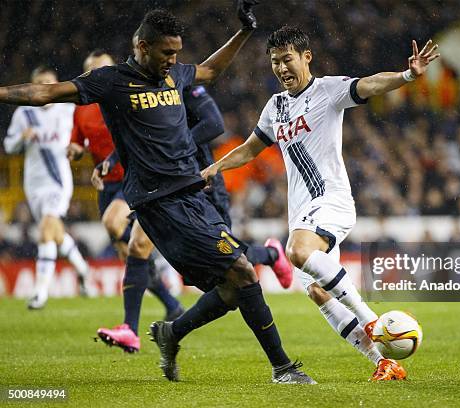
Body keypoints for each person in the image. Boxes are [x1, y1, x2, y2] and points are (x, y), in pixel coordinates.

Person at [0, 6, 314, 384]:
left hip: (195, 195)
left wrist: (245, 31)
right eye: (167, 53)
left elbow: (210, 70)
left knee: (232, 288)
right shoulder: (112, 81)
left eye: (177, 53)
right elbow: (46, 92)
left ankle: (172, 332)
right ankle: (282, 368)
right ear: (142, 46)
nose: (174, 61)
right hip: (159, 203)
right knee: (242, 272)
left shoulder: (175, 75)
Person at [202, 25, 439, 381]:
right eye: (274, 62)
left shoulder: (328, 91)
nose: (281, 68)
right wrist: (217, 166)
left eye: (287, 60)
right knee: (316, 290)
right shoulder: (276, 106)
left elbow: (369, 84)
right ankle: (382, 362)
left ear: (306, 57)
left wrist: (407, 75)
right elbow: (252, 147)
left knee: (296, 250)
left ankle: (370, 318)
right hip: (302, 211)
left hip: (331, 200)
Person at [67, 50, 184, 353]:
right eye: (94, 71)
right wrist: (76, 151)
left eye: (105, 68)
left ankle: (132, 324)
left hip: (135, 176)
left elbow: (135, 135)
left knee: (113, 223)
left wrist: (110, 159)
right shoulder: (81, 110)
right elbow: (79, 142)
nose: (101, 75)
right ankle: (171, 306)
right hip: (107, 185)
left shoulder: (122, 97)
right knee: (129, 253)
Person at [3, 66, 91, 310]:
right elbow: (9, 146)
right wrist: (22, 138)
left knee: (45, 229)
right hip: (33, 184)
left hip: (58, 181)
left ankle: (40, 293)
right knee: (54, 232)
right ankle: (83, 269)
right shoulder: (24, 114)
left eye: (48, 83)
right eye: (39, 82)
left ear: (55, 85)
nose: (43, 87)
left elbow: (83, 137)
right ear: (32, 86)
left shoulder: (68, 110)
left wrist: (78, 148)